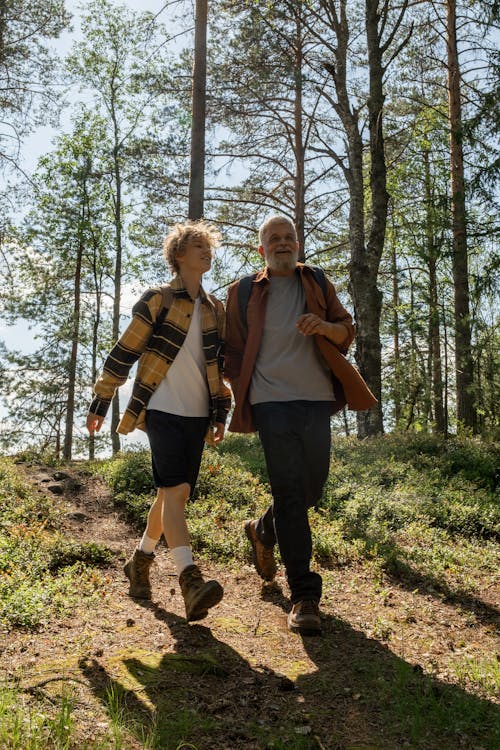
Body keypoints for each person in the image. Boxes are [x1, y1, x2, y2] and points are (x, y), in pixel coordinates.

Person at [224, 215, 376, 635]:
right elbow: (231, 349)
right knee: (290, 493)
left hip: (316, 401)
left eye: (289, 237)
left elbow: (347, 328)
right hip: (271, 404)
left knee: (311, 490)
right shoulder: (242, 292)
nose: (283, 243)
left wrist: (324, 326)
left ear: (298, 244)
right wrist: (241, 390)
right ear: (262, 250)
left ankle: (262, 528)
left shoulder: (317, 282)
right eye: (273, 238)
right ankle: (304, 596)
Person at [87, 220, 231, 623]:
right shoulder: (159, 299)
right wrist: (102, 398)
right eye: (199, 246)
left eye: (209, 247)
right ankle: (189, 579)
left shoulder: (215, 309)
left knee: (173, 495)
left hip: (198, 413)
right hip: (162, 410)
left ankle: (140, 561)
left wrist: (220, 412)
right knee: (177, 489)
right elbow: (125, 350)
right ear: (179, 255)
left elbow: (217, 367)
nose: (207, 252)